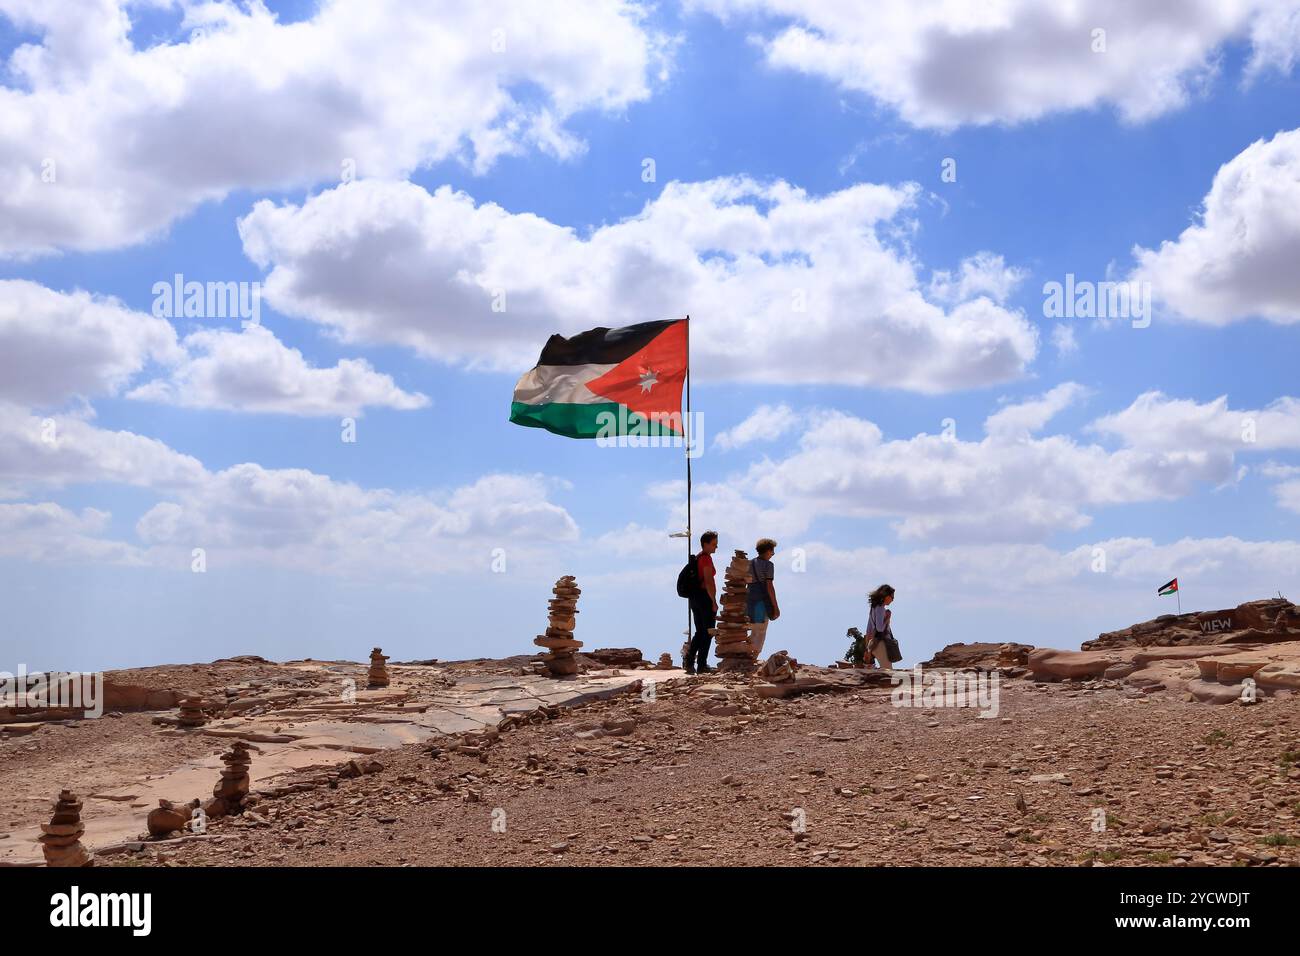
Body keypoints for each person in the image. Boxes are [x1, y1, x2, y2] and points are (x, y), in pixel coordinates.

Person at [685, 531, 719, 675]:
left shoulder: (698, 557)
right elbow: (708, 581)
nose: (716, 547)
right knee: (708, 632)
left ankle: (689, 661)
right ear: (705, 544)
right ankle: (702, 665)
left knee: (700, 632)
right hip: (704, 598)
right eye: (713, 544)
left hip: (694, 598)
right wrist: (713, 601)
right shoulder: (705, 559)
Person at [747, 538, 780, 657]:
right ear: (767, 551)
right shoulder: (769, 565)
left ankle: (745, 651)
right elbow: (769, 586)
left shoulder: (749, 563)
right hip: (762, 601)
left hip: (749, 598)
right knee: (760, 631)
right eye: (772, 551)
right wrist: (775, 606)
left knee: (751, 627)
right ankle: (753, 656)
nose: (773, 554)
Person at [867, 584, 896, 669]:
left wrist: (868, 649)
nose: (892, 600)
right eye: (892, 597)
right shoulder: (880, 608)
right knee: (888, 671)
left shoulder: (873, 608)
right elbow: (880, 629)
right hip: (881, 643)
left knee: (884, 671)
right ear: (886, 596)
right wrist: (887, 618)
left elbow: (868, 629)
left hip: (874, 644)